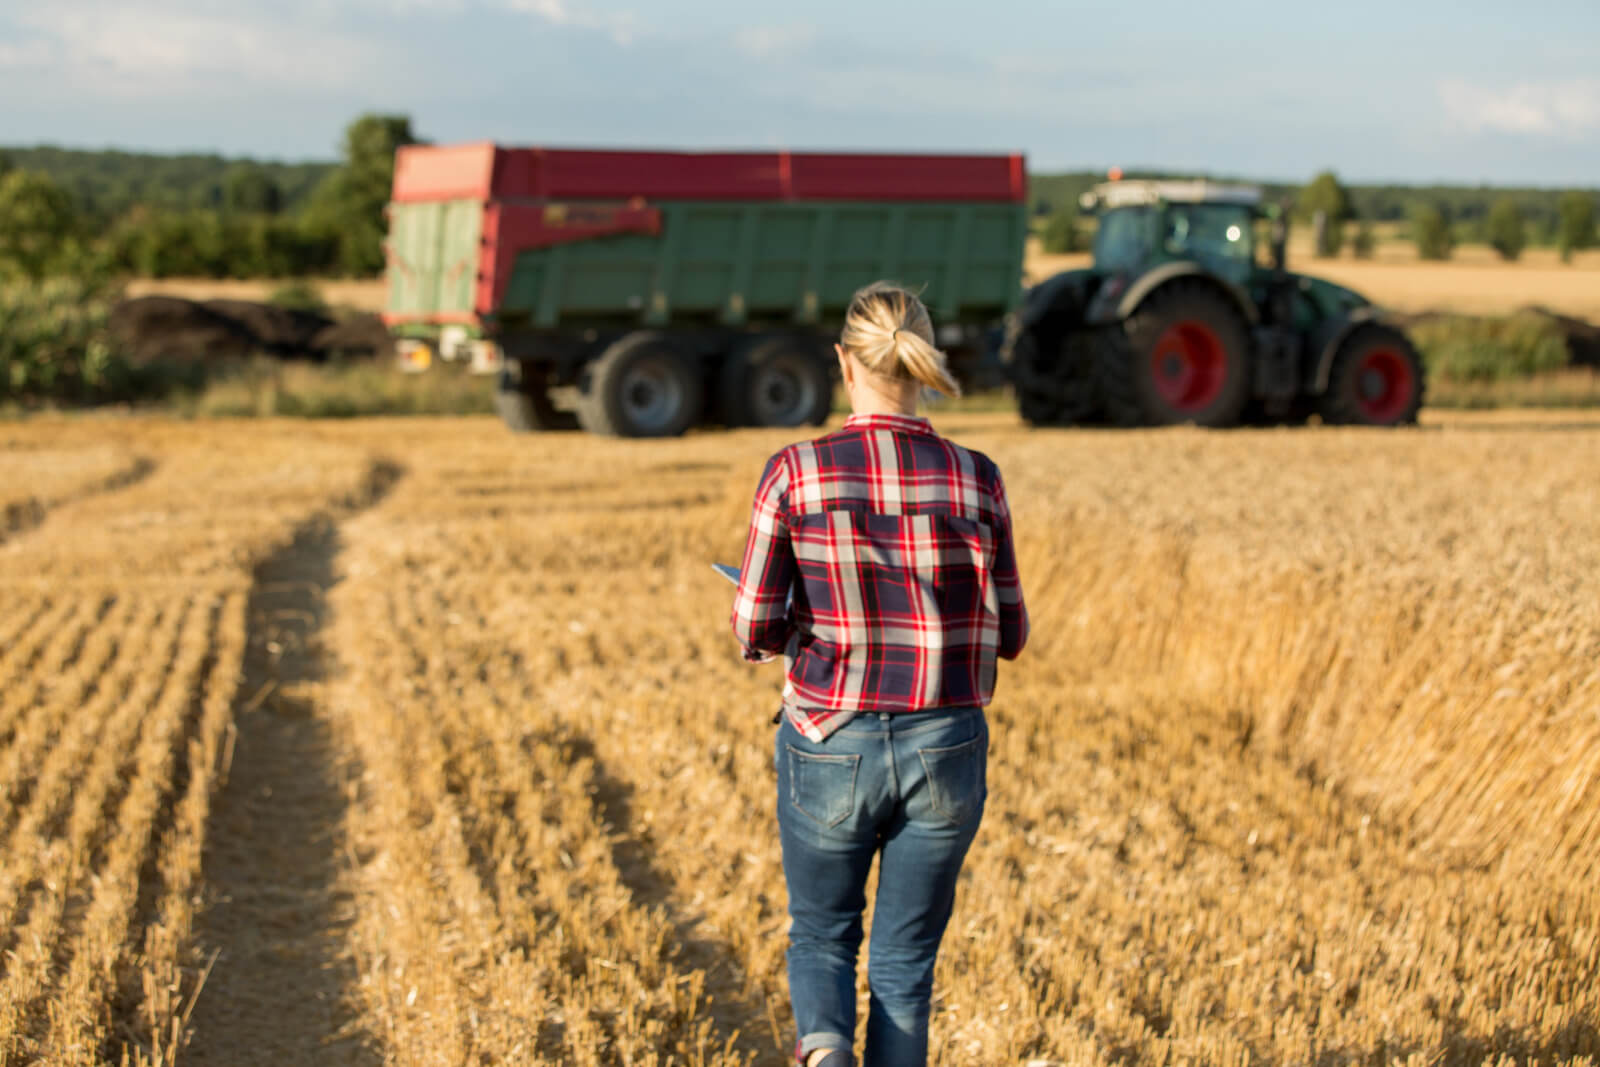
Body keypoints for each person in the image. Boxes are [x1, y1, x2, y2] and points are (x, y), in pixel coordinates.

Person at [730, 282, 1029, 1066]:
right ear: (924, 362)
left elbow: (755, 626)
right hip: (946, 746)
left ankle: (823, 1055)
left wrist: (789, 626)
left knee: (823, 936)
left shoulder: (794, 471)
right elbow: (1014, 631)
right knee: (903, 969)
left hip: (831, 735)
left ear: (842, 362)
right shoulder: (978, 476)